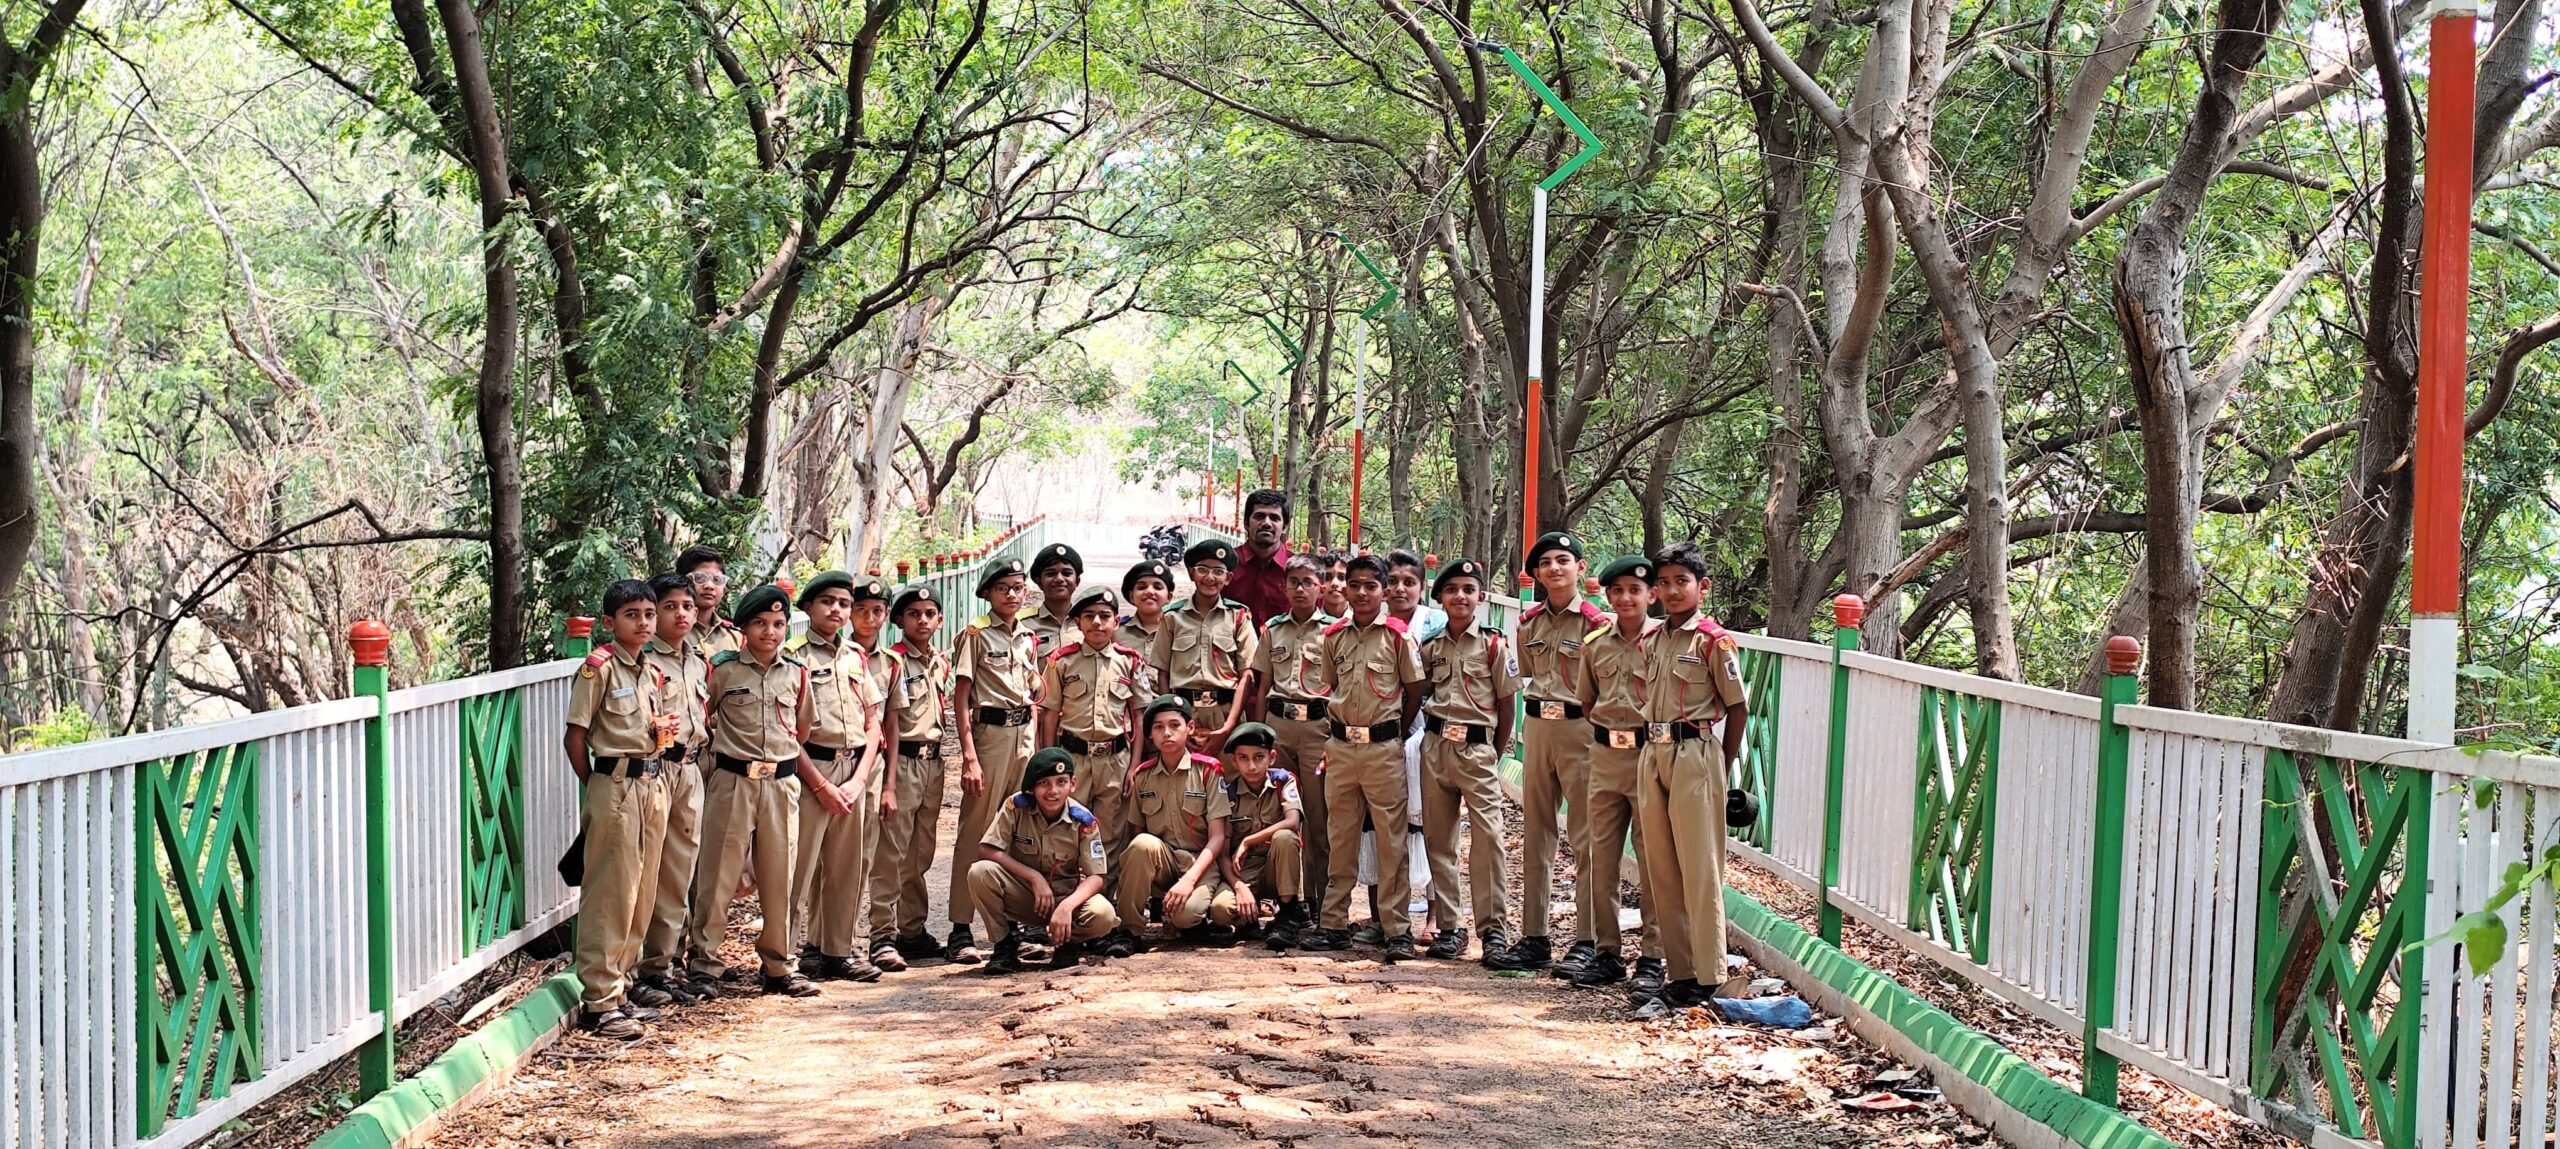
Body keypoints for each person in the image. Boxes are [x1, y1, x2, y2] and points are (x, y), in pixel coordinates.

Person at [686, 585, 831, 998]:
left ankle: (778, 965)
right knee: (718, 875)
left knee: (779, 876)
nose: (770, 632)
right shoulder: (723, 670)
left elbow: (803, 729)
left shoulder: (796, 672)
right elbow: (703, 717)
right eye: (760, 623)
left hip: (781, 784)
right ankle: (705, 965)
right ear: (744, 628)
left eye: (779, 624)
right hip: (733, 780)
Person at [1631, 543, 1750, 1019]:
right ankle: (1680, 973)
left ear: (1702, 587)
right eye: (1664, 583)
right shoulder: (1653, 640)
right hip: (1654, 751)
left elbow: (1737, 707)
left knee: (1700, 868)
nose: (1672, 590)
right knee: (1661, 866)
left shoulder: (1713, 642)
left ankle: (1709, 973)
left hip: (1695, 753)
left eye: (1682, 581)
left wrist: (1721, 765)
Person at [563, 579, 679, 1039]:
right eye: (633, 615)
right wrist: (595, 784)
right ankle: (599, 999)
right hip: (614, 785)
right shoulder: (599, 669)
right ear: (610, 623)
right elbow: (575, 737)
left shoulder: (652, 672)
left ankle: (622, 986)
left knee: (642, 891)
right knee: (611, 892)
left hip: (652, 783)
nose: (644, 623)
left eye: (649, 614)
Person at [1295, 553, 1424, 960]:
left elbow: (1414, 691)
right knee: (1341, 835)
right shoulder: (1333, 636)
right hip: (1341, 748)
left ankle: (1396, 928)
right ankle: (1333, 923)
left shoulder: (1398, 637)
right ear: (1344, 590)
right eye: (1355, 585)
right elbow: (1330, 685)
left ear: (1384, 591)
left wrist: (1394, 733)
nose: (1362, 592)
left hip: (1382, 749)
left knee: (1390, 839)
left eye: (1371, 586)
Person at [1498, 531, 1611, 975]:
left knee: (1585, 836)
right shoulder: (1529, 623)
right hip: (1538, 728)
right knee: (1537, 832)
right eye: (1545, 563)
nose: (1554, 569)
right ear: (1537, 574)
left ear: (1580, 568)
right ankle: (1535, 935)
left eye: (1563, 560)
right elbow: (1526, 673)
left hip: (1580, 729)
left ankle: (1587, 939)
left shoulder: (1597, 624)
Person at [787, 573, 893, 982]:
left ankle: (839, 950)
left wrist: (859, 779)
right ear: (808, 607)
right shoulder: (793, 655)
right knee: (799, 869)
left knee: (848, 868)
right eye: (827, 601)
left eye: (844, 604)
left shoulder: (854, 656)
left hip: (853, 772)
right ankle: (785, 957)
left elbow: (873, 722)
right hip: (811, 771)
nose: (836, 609)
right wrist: (821, 785)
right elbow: (786, 730)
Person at [1414, 559, 1518, 964]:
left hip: (1477, 750)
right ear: (1440, 597)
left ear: (1481, 597)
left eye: (1468, 589)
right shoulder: (1431, 646)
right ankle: (1450, 927)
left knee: (1489, 838)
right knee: (1440, 840)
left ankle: (1493, 931)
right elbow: (1420, 691)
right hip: (1436, 746)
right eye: (1452, 589)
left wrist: (1494, 751)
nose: (1460, 596)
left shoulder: (1494, 645)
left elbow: (1507, 705)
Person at [1575, 555, 1667, 998]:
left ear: (1652, 595)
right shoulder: (1596, 644)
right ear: (1608, 596)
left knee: (1653, 859)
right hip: (1605, 758)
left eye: (1636, 590)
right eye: (1618, 591)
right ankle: (1606, 951)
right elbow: (1586, 701)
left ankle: (1652, 956)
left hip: (1649, 757)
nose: (1626, 598)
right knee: (1601, 857)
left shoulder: (1663, 642)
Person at [945, 557, 1039, 962]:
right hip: (990, 736)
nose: (1012, 595)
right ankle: (960, 927)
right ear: (987, 593)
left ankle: (1010, 925)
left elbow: (1033, 692)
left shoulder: (1027, 636)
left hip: (1023, 736)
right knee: (977, 830)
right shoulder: (976, 634)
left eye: (1018, 587)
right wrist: (969, 756)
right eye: (1003, 588)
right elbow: (962, 696)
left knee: (1017, 829)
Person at [636, 573, 716, 1007]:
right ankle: (631, 969)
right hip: (656, 771)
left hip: (690, 769)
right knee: (645, 872)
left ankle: (661, 967)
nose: (682, 614)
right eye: (670, 607)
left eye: (687, 606)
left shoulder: (697, 661)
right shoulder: (643, 661)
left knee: (677, 873)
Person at [966, 749, 1120, 974]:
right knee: (980, 872)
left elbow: (1096, 877)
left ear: (1073, 784)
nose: (1053, 791)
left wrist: (1067, 907)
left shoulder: (1083, 820)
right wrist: (1033, 877)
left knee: (1103, 914)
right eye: (1044, 783)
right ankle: (1005, 943)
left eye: (1061, 782)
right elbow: (987, 849)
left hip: (1065, 897)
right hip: (1027, 896)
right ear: (1032, 787)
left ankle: (1067, 942)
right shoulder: (1016, 807)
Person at [1106, 694, 1236, 954]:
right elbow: (1137, 832)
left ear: (1190, 728)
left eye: (1174, 725)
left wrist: (1188, 881)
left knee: (1185, 915)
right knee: (1141, 844)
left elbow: (1217, 837)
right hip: (1164, 861)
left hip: (1200, 862)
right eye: (1158, 727)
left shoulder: (1208, 771)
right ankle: (1130, 931)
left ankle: (1195, 919)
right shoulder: (1143, 776)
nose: (1166, 733)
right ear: (1150, 735)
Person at [1249, 554, 1333, 945]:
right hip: (1278, 726)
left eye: (1308, 582)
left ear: (1321, 587)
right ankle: (1289, 902)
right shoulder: (1272, 630)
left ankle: (1321, 902)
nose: (1300, 589)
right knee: (1282, 813)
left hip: (1317, 728)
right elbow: (1263, 685)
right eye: (1294, 582)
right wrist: (1261, 736)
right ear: (1284, 588)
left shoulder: (1334, 631)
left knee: (1317, 817)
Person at [868, 586, 951, 971]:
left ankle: (912, 930)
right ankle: (882, 935)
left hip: (933, 763)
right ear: (899, 620)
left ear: (940, 620)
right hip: (901, 762)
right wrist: (887, 782)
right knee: (891, 852)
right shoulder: (892, 661)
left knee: (920, 852)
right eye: (914, 614)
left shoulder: (939, 662)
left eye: (929, 613)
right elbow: (889, 722)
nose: (922, 620)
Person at [1037, 587, 1142, 867]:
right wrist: (1049, 760)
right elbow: (1050, 714)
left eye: (1105, 616)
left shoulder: (1129, 661)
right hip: (1073, 758)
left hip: (1114, 760)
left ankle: (1105, 890)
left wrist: (1134, 765)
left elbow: (1139, 716)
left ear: (1116, 622)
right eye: (1089, 616)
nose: (1097, 622)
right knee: (1068, 825)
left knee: (1111, 830)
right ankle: (1068, 887)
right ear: (1078, 623)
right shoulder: (1061, 661)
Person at [1153, 540, 1259, 754]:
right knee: (1185, 771)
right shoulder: (1173, 617)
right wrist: (1172, 719)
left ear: (1228, 578)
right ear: (1191, 573)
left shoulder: (1238, 617)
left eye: (1218, 571)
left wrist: (1229, 727)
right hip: (1183, 711)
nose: (1210, 577)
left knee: (1226, 772)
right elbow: (1162, 673)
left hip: (1225, 713)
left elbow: (1247, 675)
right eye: (1202, 569)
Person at [1219, 722, 1304, 942]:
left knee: (1285, 837)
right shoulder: (1228, 794)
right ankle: (1249, 918)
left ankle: (1287, 915)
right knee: (1221, 910)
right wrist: (1239, 887)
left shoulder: (1282, 782)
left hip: (1277, 868)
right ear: (1234, 761)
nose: (1252, 766)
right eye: (1243, 758)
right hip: (1245, 871)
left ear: (1272, 757)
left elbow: (1293, 821)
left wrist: (1248, 840)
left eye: (1259, 757)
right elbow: (1222, 853)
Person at [1228, 489, 1293, 621]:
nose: (1267, 523)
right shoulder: (1226, 564)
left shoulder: (1299, 570)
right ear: (1246, 524)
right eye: (1259, 516)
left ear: (1284, 527)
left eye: (1274, 518)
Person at [1119, 559, 1175, 696]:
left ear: (1169, 596)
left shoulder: (1179, 631)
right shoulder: (1116, 633)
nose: (1149, 591)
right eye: (1141, 587)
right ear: (1131, 596)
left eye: (1158, 587)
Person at [678, 545, 741, 659]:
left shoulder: (737, 637)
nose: (709, 586)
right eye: (700, 578)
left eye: (717, 580)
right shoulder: (669, 632)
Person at [1024, 543, 1085, 657]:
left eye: (1066, 573)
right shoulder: (1023, 625)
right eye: (1050, 574)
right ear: (1039, 582)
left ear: (1077, 581)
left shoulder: (1089, 623)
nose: (1059, 579)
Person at [1319, 552, 1350, 619]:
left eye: (1342, 577)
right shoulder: (1307, 621)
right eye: (1327, 577)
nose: (1335, 583)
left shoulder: (1364, 621)